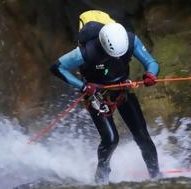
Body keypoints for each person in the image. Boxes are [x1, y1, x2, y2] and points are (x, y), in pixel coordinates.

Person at [50, 10, 161, 184]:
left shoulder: (130, 40)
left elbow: (151, 62)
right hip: (95, 93)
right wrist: (84, 86)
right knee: (111, 140)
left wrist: (150, 75)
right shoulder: (85, 52)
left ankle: (156, 176)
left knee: (142, 136)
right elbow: (57, 68)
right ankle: (101, 177)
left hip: (122, 87)